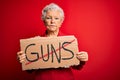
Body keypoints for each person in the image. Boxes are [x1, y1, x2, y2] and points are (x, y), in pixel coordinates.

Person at [17, 3, 88, 80]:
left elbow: (77, 66)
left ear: (61, 22)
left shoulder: (69, 41)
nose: (52, 21)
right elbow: (30, 70)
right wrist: (24, 60)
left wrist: (82, 59)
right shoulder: (35, 43)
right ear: (44, 21)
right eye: (48, 18)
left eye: (56, 18)